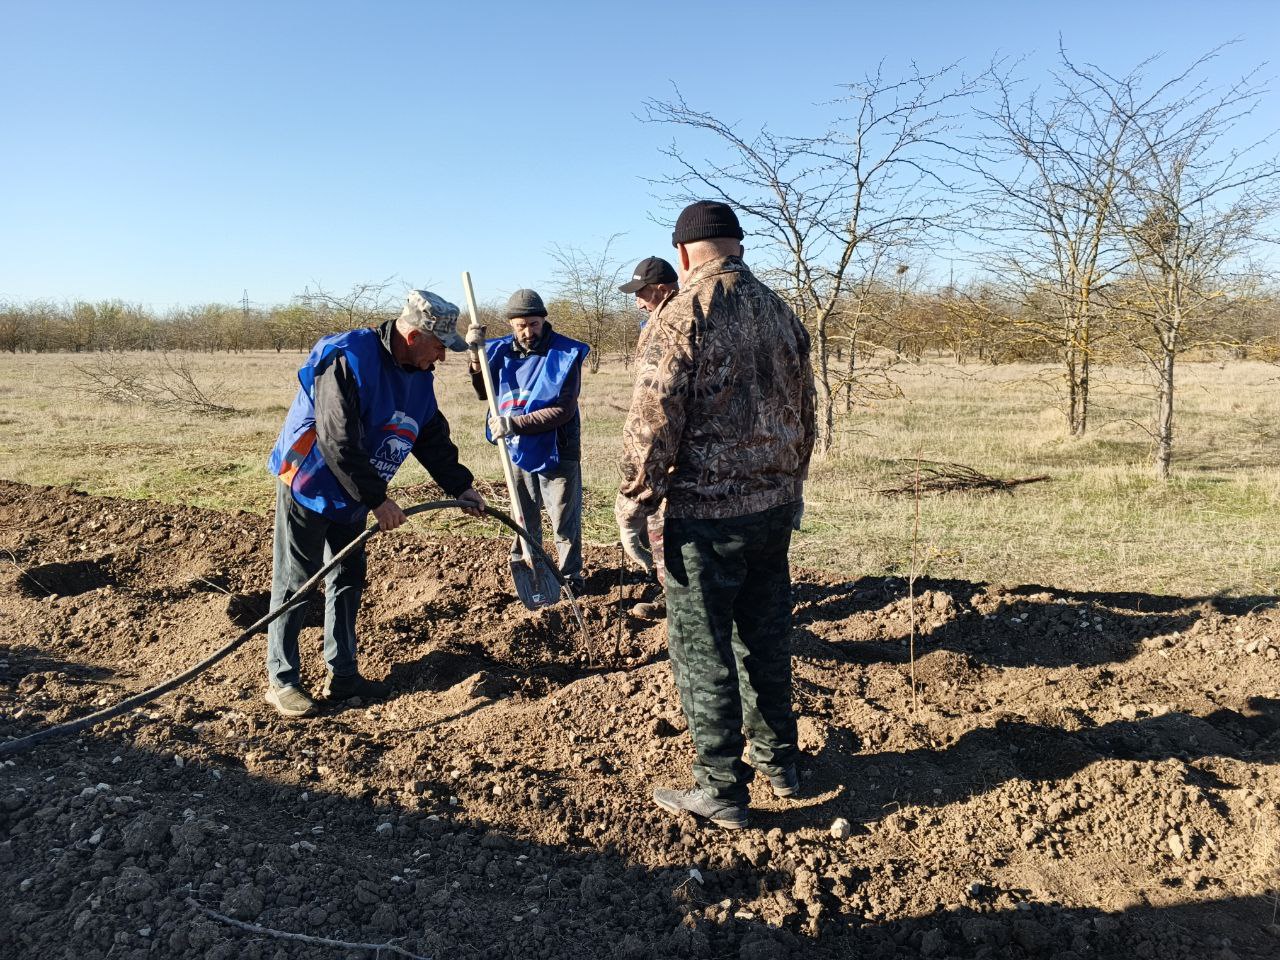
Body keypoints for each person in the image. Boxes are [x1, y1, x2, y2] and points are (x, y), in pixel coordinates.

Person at [616, 200, 816, 829]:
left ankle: (721, 787)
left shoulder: (681, 315)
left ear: (682, 254)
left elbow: (653, 421)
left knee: (702, 649)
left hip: (705, 516)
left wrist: (633, 502)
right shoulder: (782, 312)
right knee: (764, 635)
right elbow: (807, 411)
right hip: (774, 507)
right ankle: (779, 761)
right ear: (739, 247)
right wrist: (793, 482)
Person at [264, 289, 487, 719]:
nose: (442, 357)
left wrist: (460, 486)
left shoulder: (419, 375)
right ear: (413, 335)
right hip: (310, 482)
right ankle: (283, 679)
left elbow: (431, 435)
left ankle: (342, 674)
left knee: (347, 579)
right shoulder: (347, 357)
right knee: (296, 581)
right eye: (440, 346)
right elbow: (337, 438)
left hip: (355, 491)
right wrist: (379, 500)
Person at [469, 289, 590, 595]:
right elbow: (485, 392)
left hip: (558, 447)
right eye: (521, 325)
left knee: (563, 517)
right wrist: (474, 357)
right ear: (511, 324)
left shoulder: (565, 354)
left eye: (533, 324)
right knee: (523, 512)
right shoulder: (497, 351)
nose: (527, 332)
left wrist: (513, 424)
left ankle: (570, 576)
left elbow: (563, 410)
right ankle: (527, 564)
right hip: (515, 448)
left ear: (543, 320)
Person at [617, 256, 681, 620]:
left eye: (641, 292)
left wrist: (634, 484)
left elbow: (657, 408)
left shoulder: (673, 324)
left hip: (669, 452)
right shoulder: (655, 322)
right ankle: (670, 589)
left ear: (661, 289)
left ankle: (674, 598)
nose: (638, 300)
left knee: (661, 524)